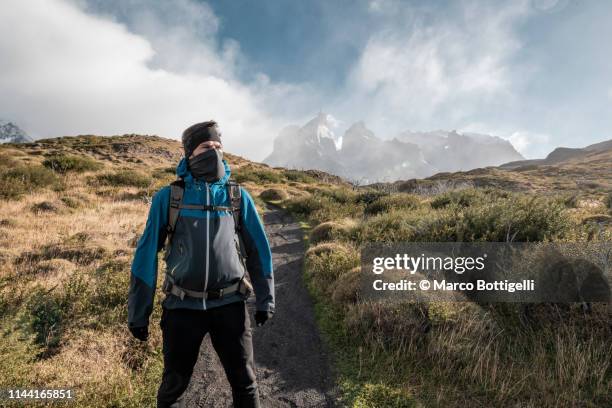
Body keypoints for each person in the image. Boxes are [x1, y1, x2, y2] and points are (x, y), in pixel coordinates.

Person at [127, 120, 275, 408]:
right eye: (207, 146)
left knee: (245, 384)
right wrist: (138, 312)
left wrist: (265, 299)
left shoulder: (236, 197)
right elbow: (146, 254)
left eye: (219, 147)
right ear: (190, 153)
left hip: (230, 304)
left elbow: (259, 249)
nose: (215, 153)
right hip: (182, 307)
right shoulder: (169, 197)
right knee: (174, 386)